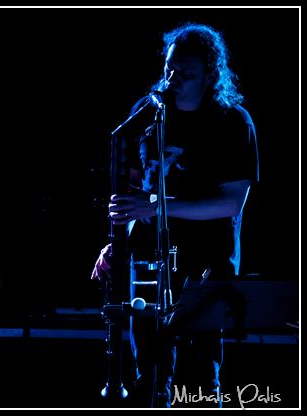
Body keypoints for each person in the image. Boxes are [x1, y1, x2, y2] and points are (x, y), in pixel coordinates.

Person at [91, 23, 259, 408]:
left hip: (207, 265)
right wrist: (116, 244)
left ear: (210, 76)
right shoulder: (146, 115)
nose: (172, 80)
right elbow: (131, 193)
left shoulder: (233, 122)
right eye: (169, 69)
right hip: (149, 261)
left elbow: (231, 203)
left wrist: (156, 207)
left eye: (185, 74)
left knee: (199, 378)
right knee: (148, 374)